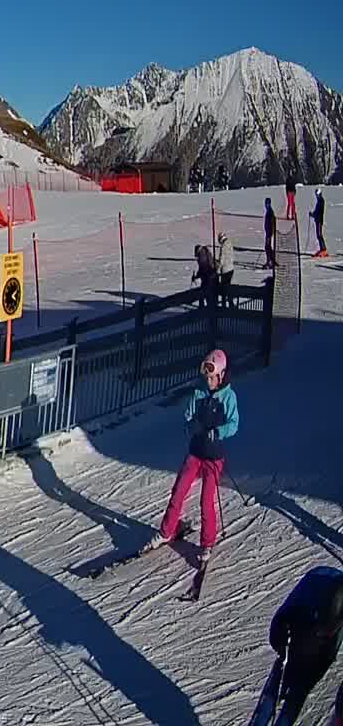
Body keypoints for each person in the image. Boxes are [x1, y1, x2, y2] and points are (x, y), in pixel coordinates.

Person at [159, 349, 239, 558]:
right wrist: (190, 426)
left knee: (206, 500)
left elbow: (234, 424)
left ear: (221, 375)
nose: (209, 381)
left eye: (212, 377)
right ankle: (167, 531)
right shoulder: (199, 392)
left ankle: (207, 543)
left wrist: (219, 432)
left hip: (213, 457)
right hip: (195, 453)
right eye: (206, 377)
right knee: (179, 490)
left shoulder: (229, 397)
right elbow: (187, 417)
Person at [249, 566, 343, 725]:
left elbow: (328, 654)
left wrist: (312, 675)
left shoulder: (334, 626)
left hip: (313, 648)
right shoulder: (296, 609)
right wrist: (283, 651)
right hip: (294, 636)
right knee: (277, 684)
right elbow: (278, 627)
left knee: (297, 692)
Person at [216, 231, 238, 306]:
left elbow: (222, 260)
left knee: (224, 289)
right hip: (231, 268)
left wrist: (218, 270)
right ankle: (230, 303)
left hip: (225, 270)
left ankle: (224, 304)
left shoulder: (223, 247)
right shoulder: (230, 244)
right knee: (228, 286)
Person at [315, 187, 328, 259]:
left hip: (319, 220)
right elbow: (316, 211)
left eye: (317, 194)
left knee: (320, 235)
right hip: (317, 220)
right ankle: (321, 249)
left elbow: (319, 212)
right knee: (318, 235)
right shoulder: (318, 201)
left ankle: (324, 249)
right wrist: (313, 214)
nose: (316, 196)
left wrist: (315, 215)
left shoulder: (321, 201)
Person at [266, 198, 279, 270]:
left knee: (267, 247)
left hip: (269, 232)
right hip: (268, 232)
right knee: (268, 247)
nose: (266, 205)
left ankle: (270, 261)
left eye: (267, 203)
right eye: (266, 203)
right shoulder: (269, 211)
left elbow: (272, 223)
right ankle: (270, 260)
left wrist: (270, 232)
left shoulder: (270, 212)